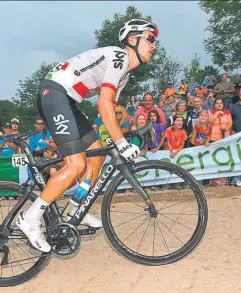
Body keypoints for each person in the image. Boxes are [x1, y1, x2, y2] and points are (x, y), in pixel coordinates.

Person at [16, 18, 159, 252]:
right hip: (55, 94)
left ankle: (76, 208)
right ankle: (30, 220)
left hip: (67, 100)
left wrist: (127, 134)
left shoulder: (125, 73)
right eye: (150, 39)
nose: (154, 45)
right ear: (133, 39)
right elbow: (103, 105)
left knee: (96, 155)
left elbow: (109, 109)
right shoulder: (120, 57)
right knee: (75, 165)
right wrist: (122, 144)